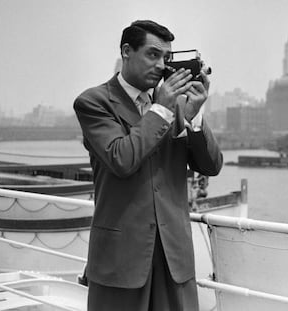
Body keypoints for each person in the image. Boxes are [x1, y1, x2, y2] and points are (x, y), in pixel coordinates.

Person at [73, 20, 223, 311]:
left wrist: (194, 117)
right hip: (120, 259)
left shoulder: (173, 106)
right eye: (152, 55)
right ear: (127, 51)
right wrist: (163, 110)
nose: (160, 65)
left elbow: (211, 165)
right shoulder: (94, 102)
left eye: (166, 58)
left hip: (173, 257)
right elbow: (122, 159)